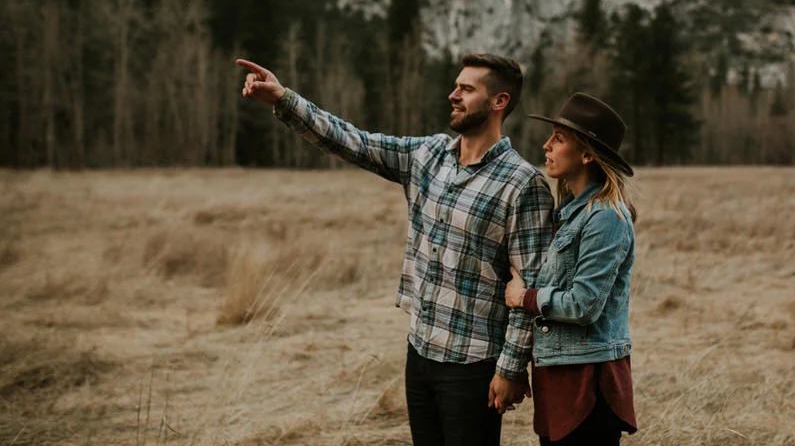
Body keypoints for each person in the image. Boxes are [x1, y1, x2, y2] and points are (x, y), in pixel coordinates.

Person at [236, 54, 554, 445]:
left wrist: (509, 369)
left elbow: (532, 285)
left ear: (499, 101)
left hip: (473, 364)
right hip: (419, 351)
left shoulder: (523, 184)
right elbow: (352, 141)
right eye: (456, 86)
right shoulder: (428, 155)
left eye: (466, 89)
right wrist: (284, 99)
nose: (453, 95)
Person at [504, 92, 638, 445]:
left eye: (559, 139)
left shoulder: (605, 217)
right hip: (560, 374)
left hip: (588, 381)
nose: (546, 145)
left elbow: (584, 304)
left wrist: (525, 298)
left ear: (587, 154)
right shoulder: (569, 213)